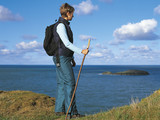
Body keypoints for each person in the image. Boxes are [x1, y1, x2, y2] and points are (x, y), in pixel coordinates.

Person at [52, 3, 89, 118]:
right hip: (61, 58)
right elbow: (66, 43)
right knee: (70, 83)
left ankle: (60, 110)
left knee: (62, 83)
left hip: (62, 57)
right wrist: (81, 51)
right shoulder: (61, 26)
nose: (73, 16)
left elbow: (62, 45)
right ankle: (72, 113)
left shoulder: (63, 25)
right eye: (72, 13)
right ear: (67, 13)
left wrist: (72, 58)